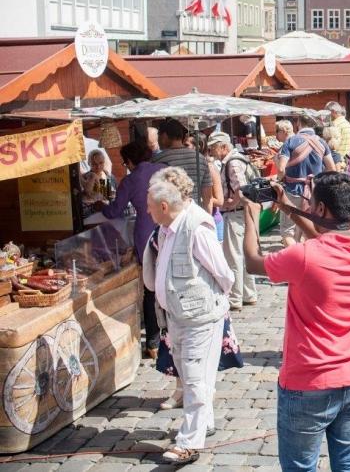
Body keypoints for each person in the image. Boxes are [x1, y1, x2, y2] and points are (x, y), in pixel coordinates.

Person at [243, 172, 350, 472]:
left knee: (300, 467)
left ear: (320, 210)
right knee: (349, 463)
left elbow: (252, 261)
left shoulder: (304, 256)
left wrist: (251, 217)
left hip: (308, 380)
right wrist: (289, 207)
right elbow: (327, 239)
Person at [143, 167, 233, 465]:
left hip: (200, 316)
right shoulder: (168, 228)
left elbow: (223, 272)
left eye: (150, 205)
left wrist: (213, 302)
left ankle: (188, 443)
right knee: (193, 374)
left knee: (194, 378)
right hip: (178, 316)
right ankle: (204, 422)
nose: (146, 210)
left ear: (164, 206)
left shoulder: (196, 226)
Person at [100, 141, 163, 358]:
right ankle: (170, 334)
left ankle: (153, 342)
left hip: (146, 236)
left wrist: (102, 206)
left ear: (129, 161)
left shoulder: (130, 179)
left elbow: (115, 211)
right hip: (168, 229)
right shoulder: (162, 169)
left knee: (150, 288)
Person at [207, 132, 258, 311]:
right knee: (244, 254)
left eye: (213, 148)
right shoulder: (238, 159)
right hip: (244, 212)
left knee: (234, 256)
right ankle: (249, 293)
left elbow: (241, 189)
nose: (212, 152)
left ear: (223, 146)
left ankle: (236, 298)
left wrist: (231, 204)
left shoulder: (233, 162)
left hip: (236, 213)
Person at [277, 112, 335, 247]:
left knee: (288, 231)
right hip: (315, 193)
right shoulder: (322, 142)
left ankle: (296, 260)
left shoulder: (290, 142)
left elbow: (280, 169)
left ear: (298, 123)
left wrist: (281, 179)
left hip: (292, 191)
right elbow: (332, 169)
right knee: (309, 230)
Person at [154, 118, 214, 212]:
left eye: (158, 135)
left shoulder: (157, 160)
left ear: (164, 136)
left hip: (171, 218)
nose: (157, 140)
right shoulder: (200, 158)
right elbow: (208, 197)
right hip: (195, 215)